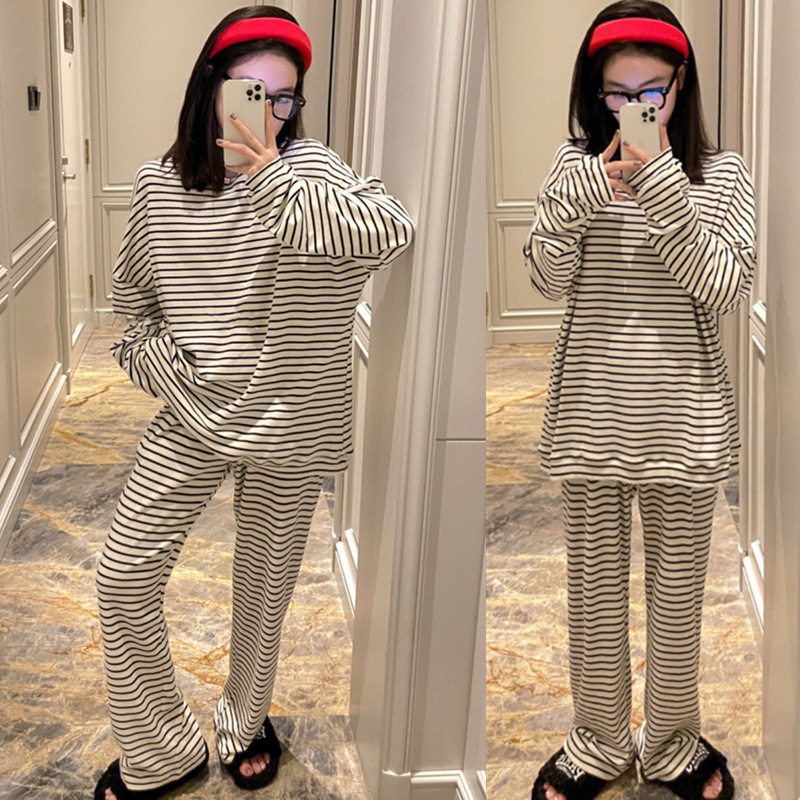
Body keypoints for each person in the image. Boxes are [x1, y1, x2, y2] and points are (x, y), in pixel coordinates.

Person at [93, 7, 413, 800]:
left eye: (284, 97)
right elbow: (133, 312)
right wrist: (171, 371)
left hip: (292, 421)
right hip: (194, 414)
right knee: (123, 572)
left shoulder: (309, 170)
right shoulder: (159, 187)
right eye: (250, 91)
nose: (267, 112)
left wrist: (274, 179)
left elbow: (389, 232)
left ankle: (244, 721)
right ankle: (161, 749)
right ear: (211, 88)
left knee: (265, 588)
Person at [523, 3, 755, 800]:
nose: (634, 108)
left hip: (683, 421)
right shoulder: (572, 166)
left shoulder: (722, 175)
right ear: (596, 92)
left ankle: (673, 743)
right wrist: (582, 197)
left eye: (651, 91)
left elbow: (724, 287)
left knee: (678, 600)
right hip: (591, 414)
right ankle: (596, 741)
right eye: (618, 93)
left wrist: (662, 190)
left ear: (680, 84)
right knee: (593, 597)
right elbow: (545, 279)